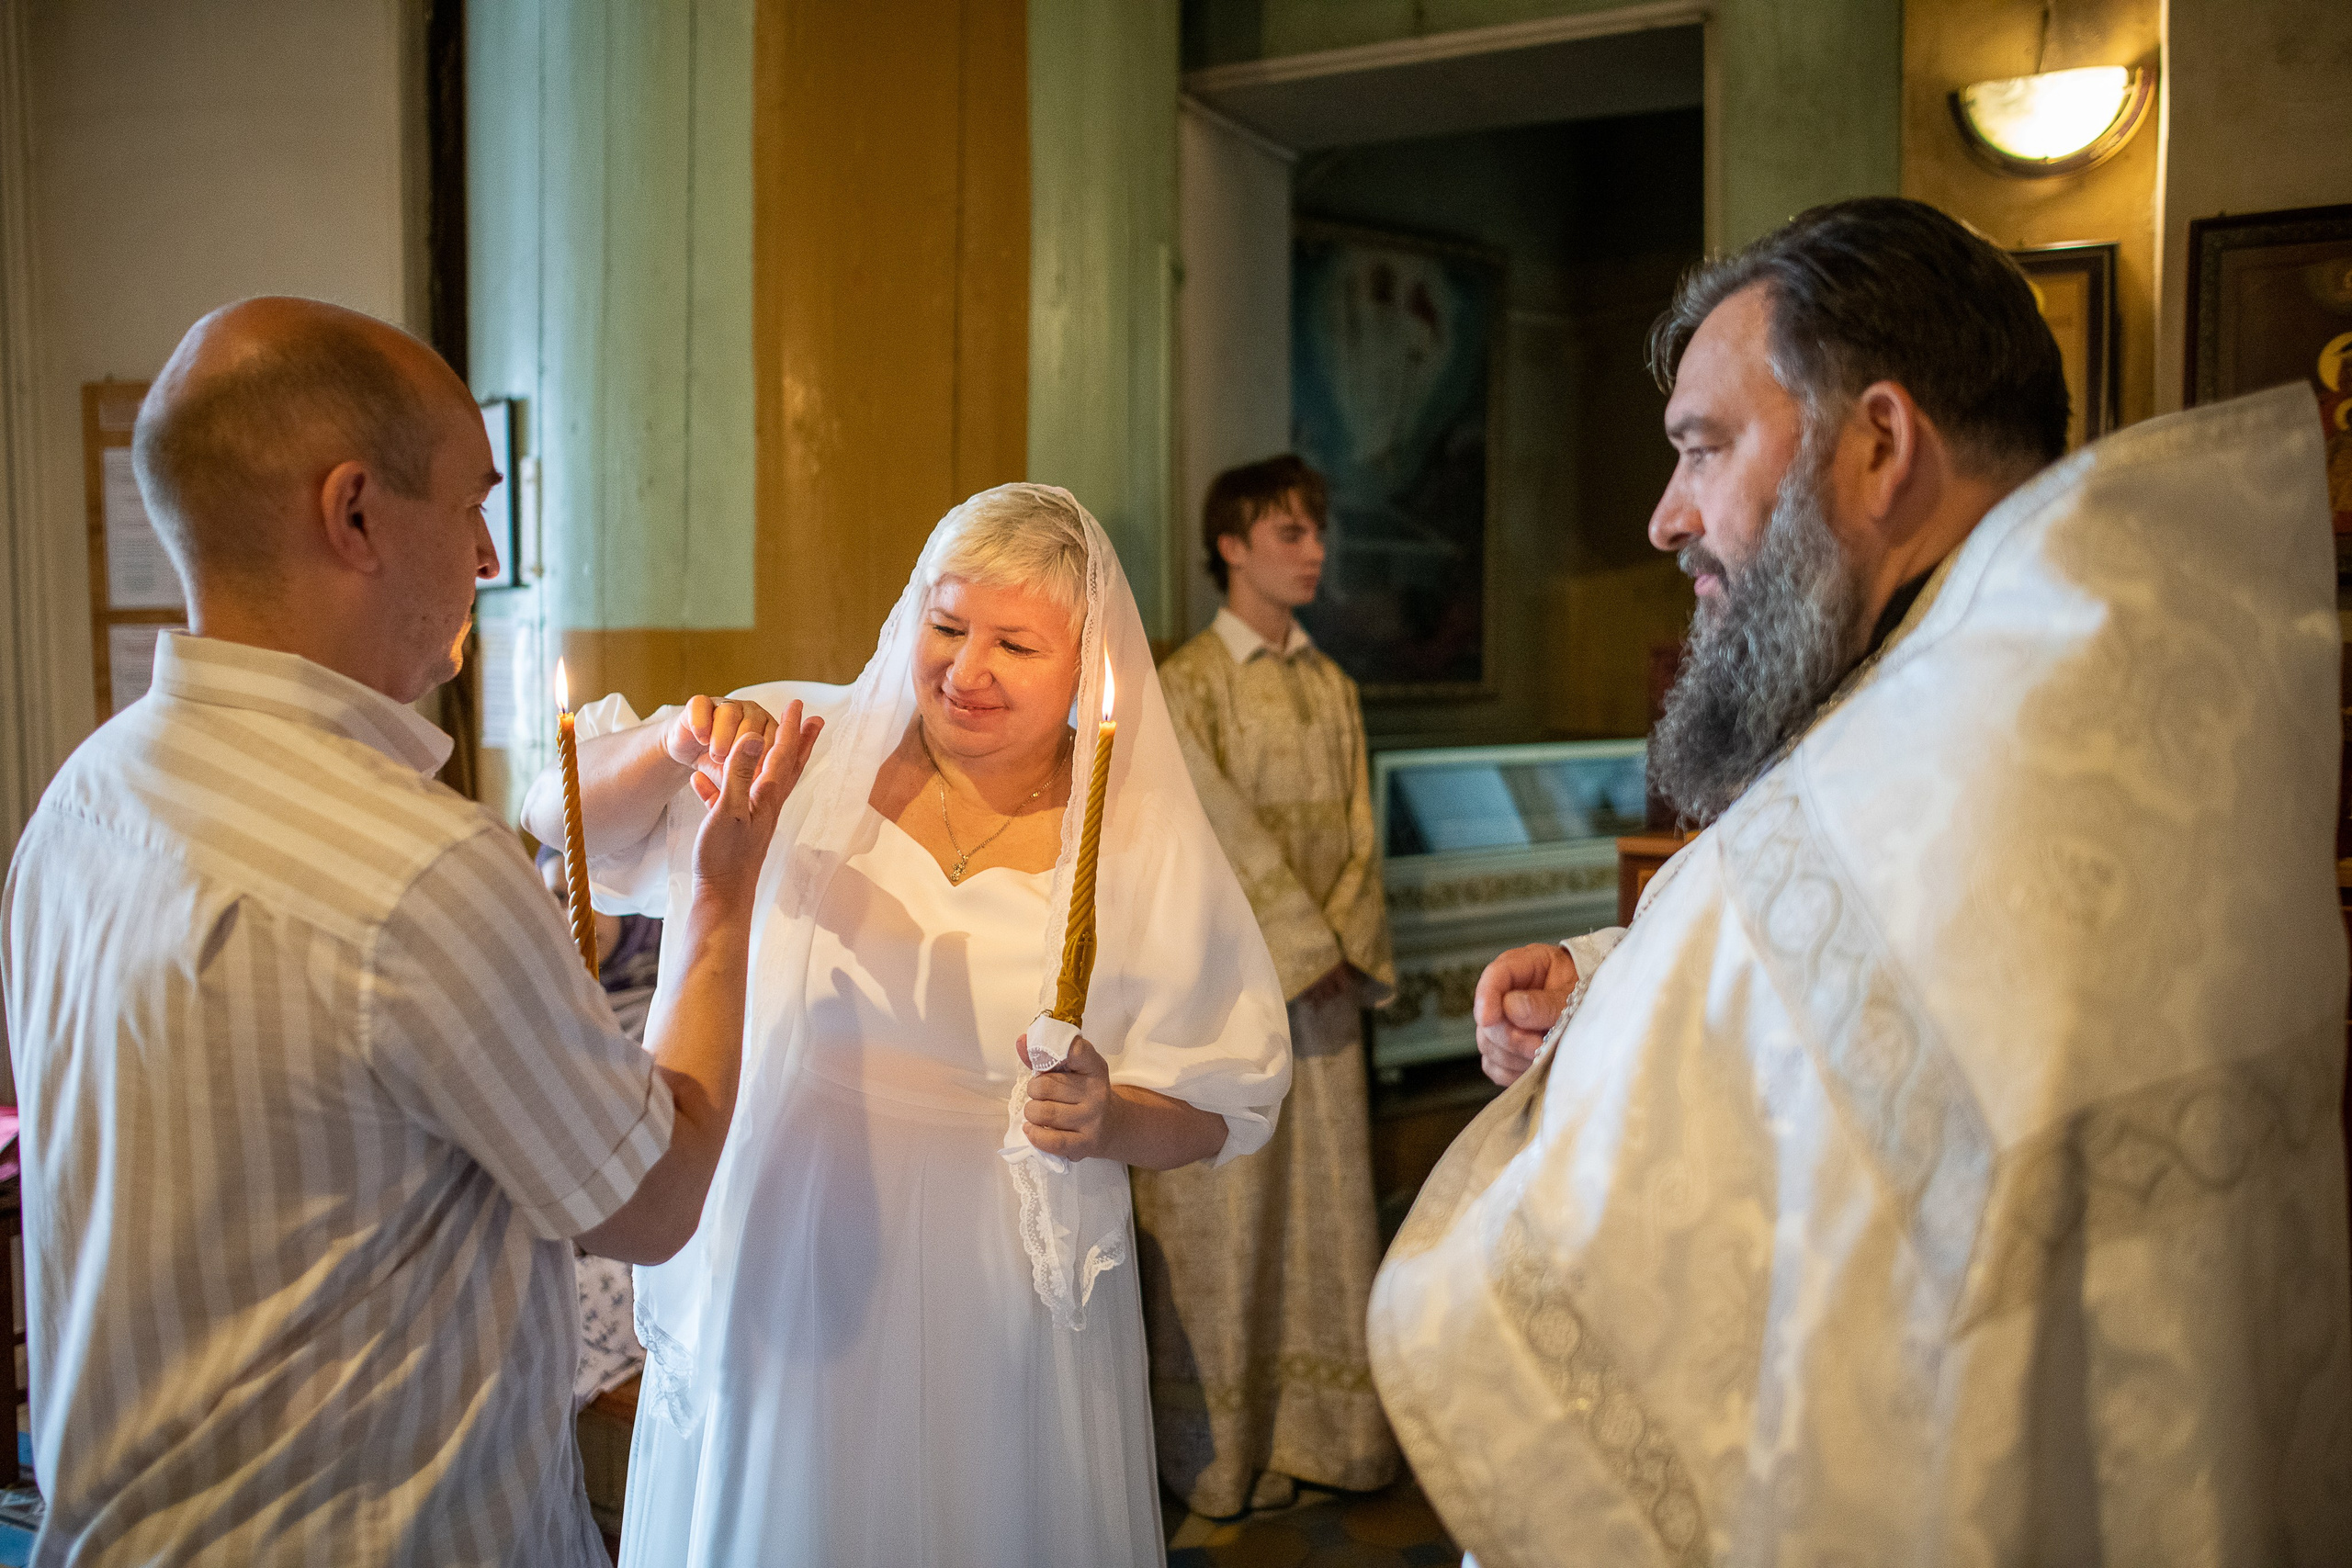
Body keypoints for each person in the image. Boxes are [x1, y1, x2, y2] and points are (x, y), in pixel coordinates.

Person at [1371, 198, 2352, 1563]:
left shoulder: (1974, 761)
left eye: (1704, 448)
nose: (1666, 519)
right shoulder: (2047, 688)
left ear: (1879, 444)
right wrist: (1611, 981)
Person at [0, 297, 820, 1566]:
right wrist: (720, 893)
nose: (489, 557)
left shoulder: (87, 791)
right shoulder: (422, 866)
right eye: (475, 501)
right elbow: (652, 1198)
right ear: (358, 512)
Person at [524, 482, 1292, 1567]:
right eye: (945, 626)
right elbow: (550, 811)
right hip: (787, 1221)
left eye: (1016, 644)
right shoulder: (810, 740)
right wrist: (676, 744)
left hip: (1000, 1260)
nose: (966, 670)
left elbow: (1231, 1098)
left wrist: (1112, 1118)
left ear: (1086, 663)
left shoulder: (1131, 831)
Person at [1136, 454, 1397, 1517]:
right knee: (1228, 1208)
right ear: (1231, 546)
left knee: (1321, 1209)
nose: (1314, 553)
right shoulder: (1184, 684)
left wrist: (1342, 942)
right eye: (1289, 533)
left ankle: (1322, 1436)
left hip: (1325, 1002)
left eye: (1317, 532)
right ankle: (1220, 1449)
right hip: (1222, 996)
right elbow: (1204, 832)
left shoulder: (1331, 686)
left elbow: (1358, 836)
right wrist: (1298, 943)